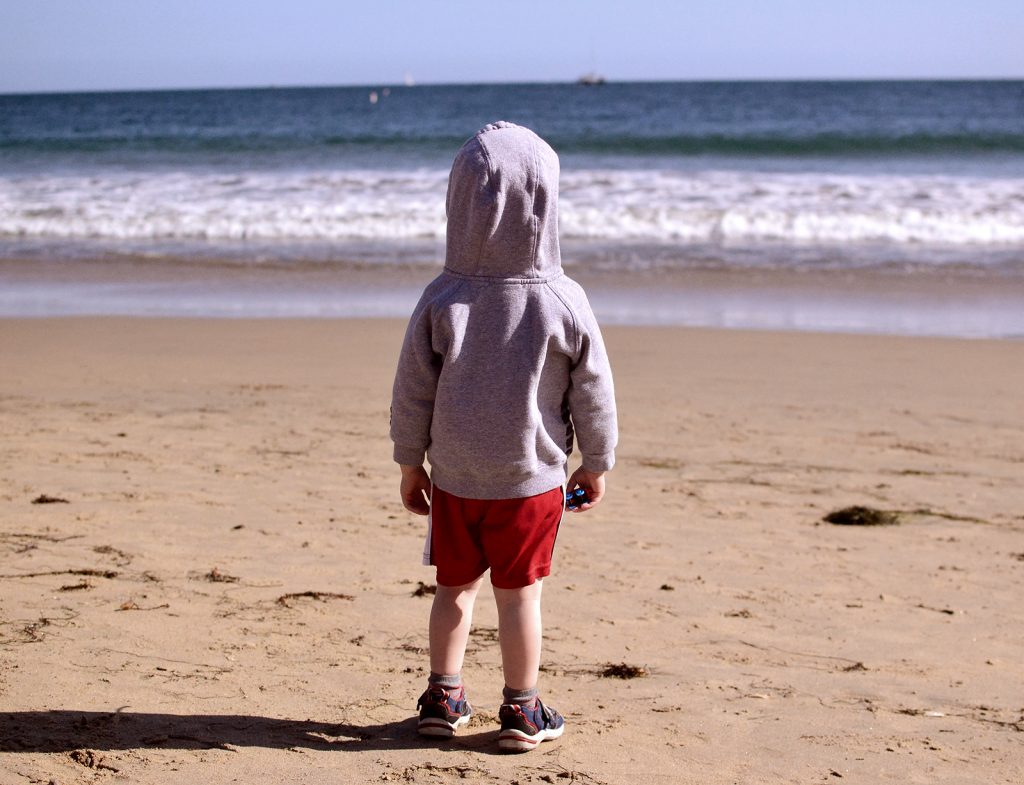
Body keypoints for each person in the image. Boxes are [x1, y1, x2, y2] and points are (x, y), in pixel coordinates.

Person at [389, 121, 617, 753]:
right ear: (546, 205)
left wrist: (411, 462)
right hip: (532, 481)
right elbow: (594, 389)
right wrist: (597, 461)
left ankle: (443, 694)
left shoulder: (443, 297)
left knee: (452, 592)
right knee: (520, 598)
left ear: (458, 203)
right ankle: (521, 709)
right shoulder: (562, 300)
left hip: (456, 481)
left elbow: (412, 390)